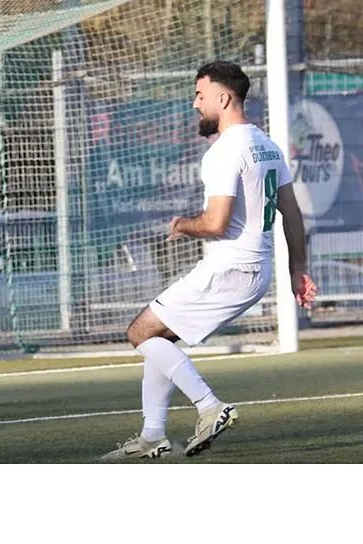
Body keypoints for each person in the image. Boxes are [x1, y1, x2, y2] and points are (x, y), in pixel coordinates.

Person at [103, 61, 318, 460]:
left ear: (224, 97)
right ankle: (153, 436)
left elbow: (217, 222)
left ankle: (209, 406)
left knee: (140, 333)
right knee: (159, 337)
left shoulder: (225, 151)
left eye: (200, 95)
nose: (194, 103)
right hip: (256, 270)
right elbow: (293, 211)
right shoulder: (267, 144)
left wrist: (182, 224)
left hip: (231, 268)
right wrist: (297, 270)